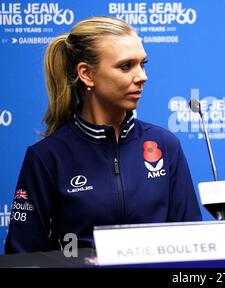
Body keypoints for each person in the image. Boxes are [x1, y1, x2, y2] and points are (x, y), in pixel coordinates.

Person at [5, 16, 202, 253]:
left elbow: (193, 243)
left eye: (143, 64)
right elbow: (24, 256)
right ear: (87, 74)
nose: (142, 76)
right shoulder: (46, 157)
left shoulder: (165, 144)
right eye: (126, 66)